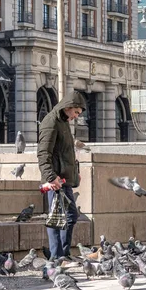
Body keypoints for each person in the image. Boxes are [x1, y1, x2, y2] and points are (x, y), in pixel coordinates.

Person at [37, 91, 87, 260]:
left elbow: (66, 152)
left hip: (64, 179)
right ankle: (56, 258)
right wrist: (50, 177)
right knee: (56, 219)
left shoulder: (64, 122)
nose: (76, 116)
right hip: (55, 180)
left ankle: (63, 255)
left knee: (71, 215)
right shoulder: (51, 121)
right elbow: (43, 153)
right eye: (76, 112)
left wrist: (75, 173)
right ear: (69, 107)